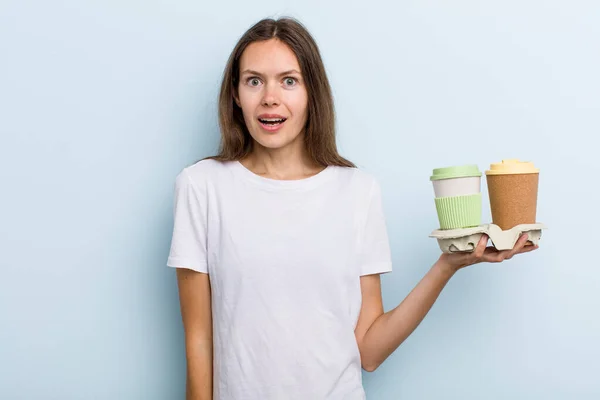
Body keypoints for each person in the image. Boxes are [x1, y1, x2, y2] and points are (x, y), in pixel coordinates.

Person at [166, 16, 538, 400]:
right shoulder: (202, 187)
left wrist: (447, 266)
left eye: (289, 80)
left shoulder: (357, 191)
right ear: (235, 94)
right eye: (254, 80)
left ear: (312, 92)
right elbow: (199, 341)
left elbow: (369, 351)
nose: (270, 98)